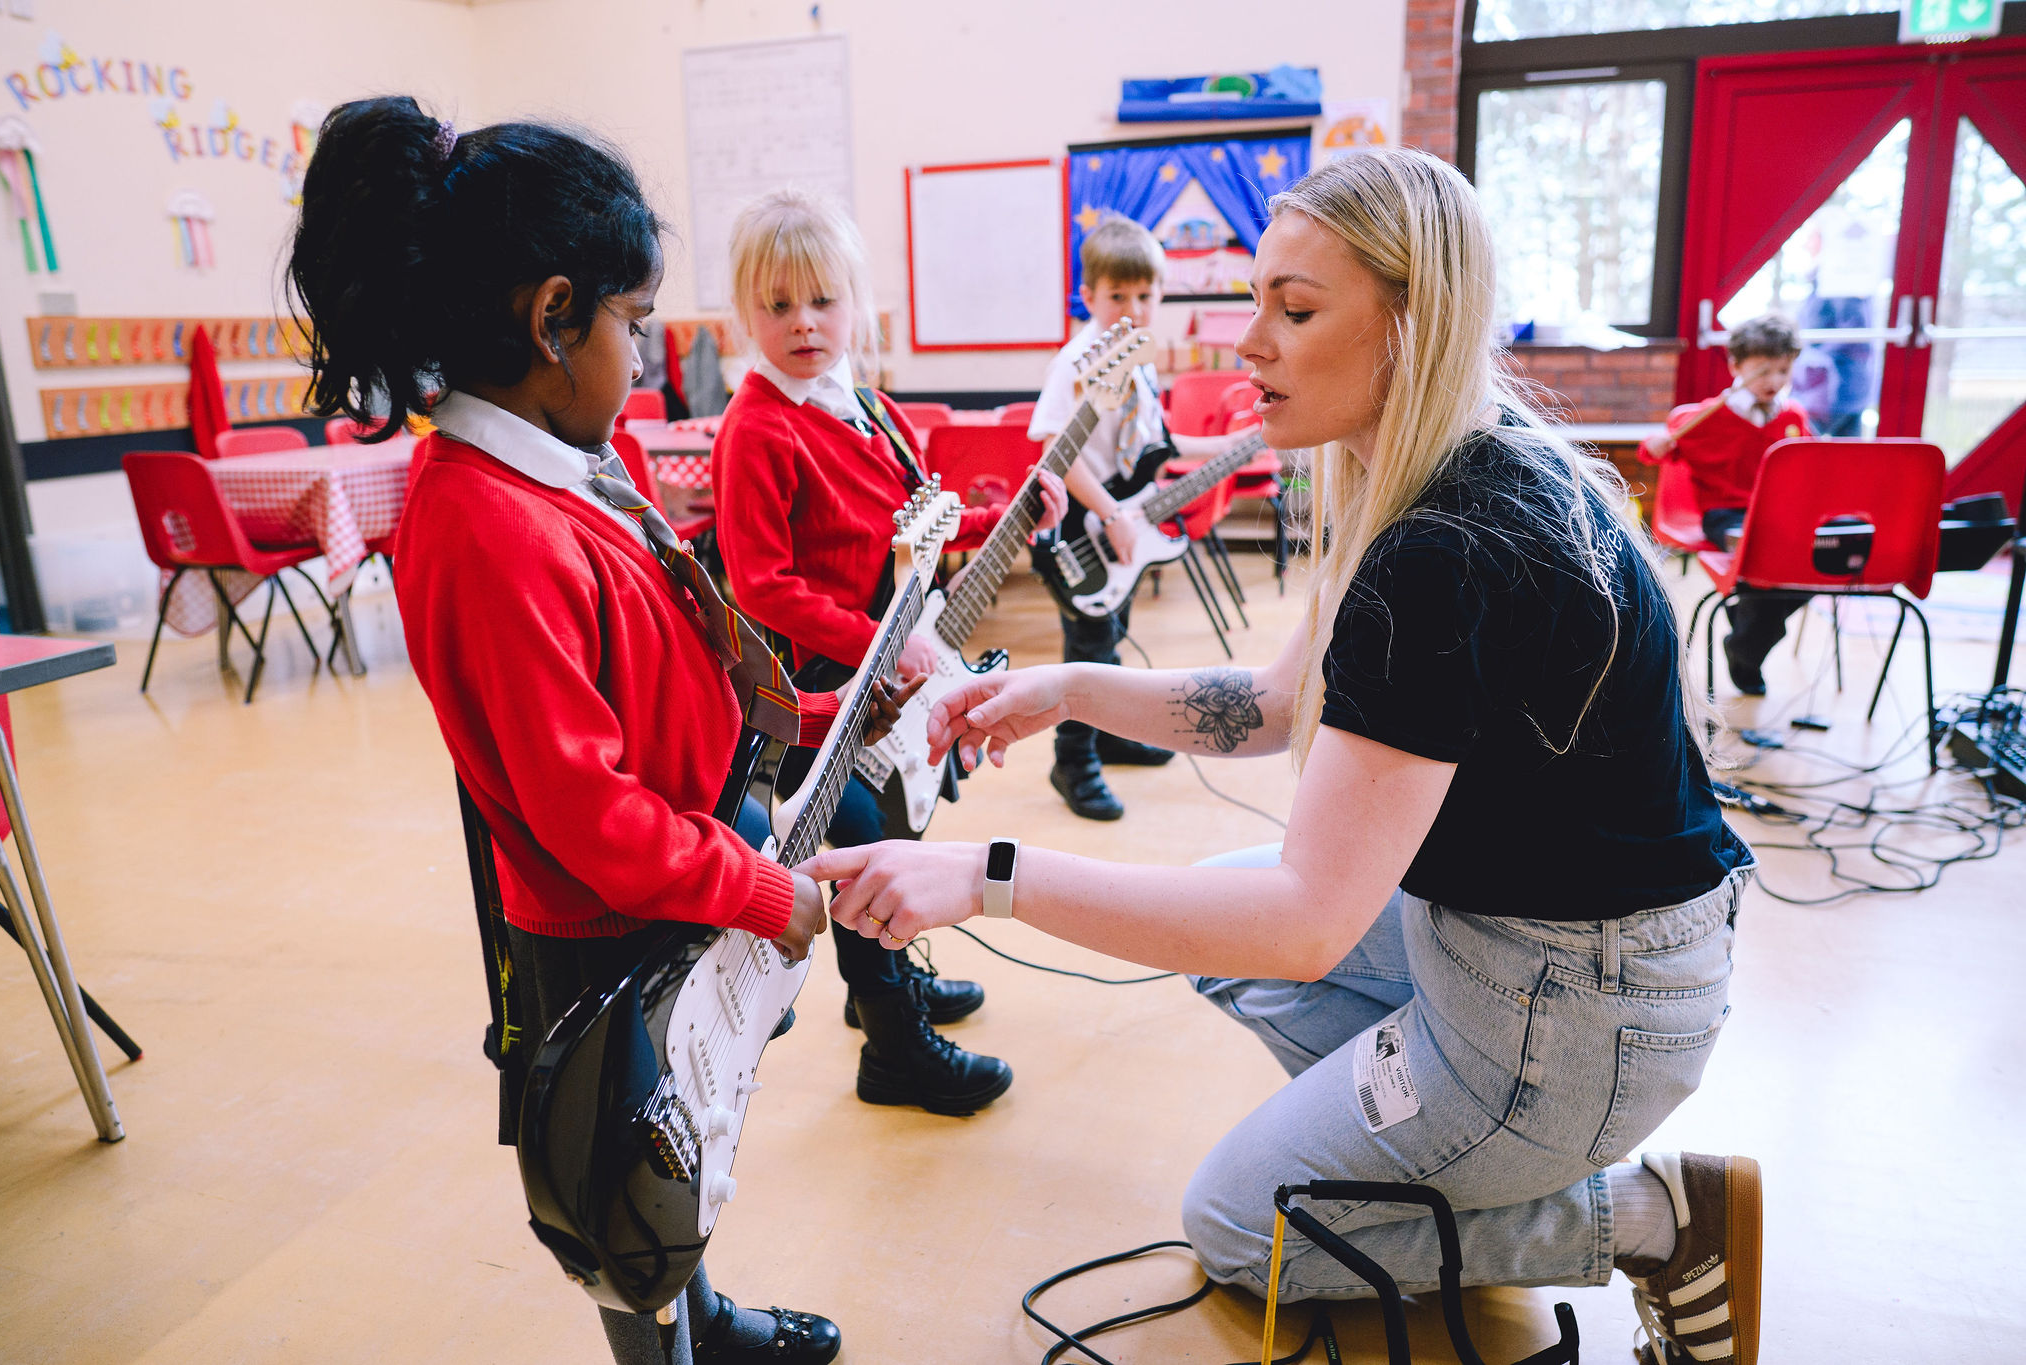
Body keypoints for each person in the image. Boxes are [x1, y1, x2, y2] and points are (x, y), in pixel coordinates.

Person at [801, 149, 1765, 1365]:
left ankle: (1648, 1217)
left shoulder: (1443, 554)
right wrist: (1065, 687)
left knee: (1242, 1230)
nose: (1246, 343)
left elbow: (1305, 923)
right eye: (1255, 299)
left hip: (1582, 1006)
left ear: (1408, 327)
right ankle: (1433, 1135)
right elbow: (1267, 702)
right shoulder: (1435, 460)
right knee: (1221, 930)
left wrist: (990, 878)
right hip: (1529, 945)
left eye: (1294, 311)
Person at [287, 97, 889, 1365]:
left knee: (687, 1142)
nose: (644, 358)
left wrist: (824, 712)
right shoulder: (483, 524)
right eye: (634, 324)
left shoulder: (561, 467)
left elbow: (673, 665)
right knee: (627, 1194)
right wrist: (757, 888)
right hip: (600, 931)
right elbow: (587, 813)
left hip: (670, 888)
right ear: (553, 317)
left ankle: (704, 1318)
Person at [711, 188, 1065, 1117]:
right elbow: (762, 586)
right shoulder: (756, 428)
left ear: (856, 304)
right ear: (744, 314)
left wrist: (1011, 513)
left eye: (822, 300)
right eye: (778, 305)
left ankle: (888, 981)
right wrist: (883, 643)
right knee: (863, 850)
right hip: (815, 698)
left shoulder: (869, 407)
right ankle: (894, 1048)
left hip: (881, 680)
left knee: (896, 834)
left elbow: (922, 525)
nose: (803, 322)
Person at [1027, 214, 1239, 821]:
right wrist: (1112, 513)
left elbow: (1157, 445)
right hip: (1081, 526)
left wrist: (1228, 446)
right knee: (1088, 649)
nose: (1134, 308)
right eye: (1118, 296)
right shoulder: (1076, 362)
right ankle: (1073, 762)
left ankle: (1111, 736)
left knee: (1113, 636)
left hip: (1121, 521)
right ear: (1088, 296)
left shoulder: (1139, 361)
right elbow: (1056, 453)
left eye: (1145, 295)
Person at [1643, 313, 1813, 696]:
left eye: (1783, 371)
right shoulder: (1706, 417)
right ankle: (1748, 652)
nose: (1774, 381)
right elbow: (1651, 452)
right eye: (1763, 370)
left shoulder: (1793, 416)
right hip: (1727, 516)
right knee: (1759, 554)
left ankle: (1745, 630)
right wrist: (1656, 446)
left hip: (1778, 517)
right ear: (1736, 366)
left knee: (1821, 559)